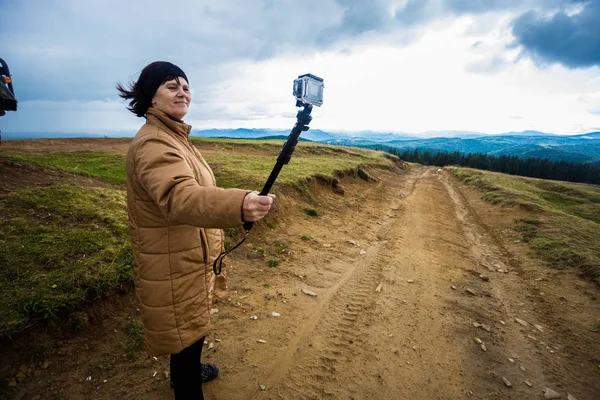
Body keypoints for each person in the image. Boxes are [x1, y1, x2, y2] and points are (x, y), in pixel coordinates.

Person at [117, 61, 274, 399]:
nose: (182, 91)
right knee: (185, 330)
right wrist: (239, 205)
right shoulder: (154, 143)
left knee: (189, 326)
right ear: (150, 96)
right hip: (171, 260)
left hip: (187, 255)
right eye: (171, 85)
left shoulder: (175, 137)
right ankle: (186, 381)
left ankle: (185, 372)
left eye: (185, 86)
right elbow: (179, 196)